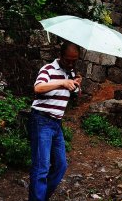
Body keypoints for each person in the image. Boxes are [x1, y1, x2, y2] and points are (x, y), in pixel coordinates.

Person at [28, 41, 82, 201]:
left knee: (60, 166)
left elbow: (72, 96)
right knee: (41, 167)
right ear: (60, 56)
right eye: (68, 60)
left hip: (56, 123)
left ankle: (40, 197)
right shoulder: (48, 69)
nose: (71, 64)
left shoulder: (70, 73)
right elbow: (38, 88)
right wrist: (62, 82)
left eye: (74, 61)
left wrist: (77, 86)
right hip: (41, 120)